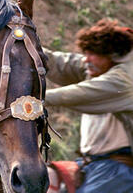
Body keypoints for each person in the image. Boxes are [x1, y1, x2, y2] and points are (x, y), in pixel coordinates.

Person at [44, 19, 133, 193]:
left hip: (118, 169)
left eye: (92, 54)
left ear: (112, 55)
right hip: (91, 165)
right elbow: (57, 62)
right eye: (85, 53)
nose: (86, 60)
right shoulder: (98, 68)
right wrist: (22, 42)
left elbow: (80, 93)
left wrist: (33, 98)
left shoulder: (125, 79)